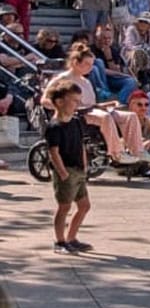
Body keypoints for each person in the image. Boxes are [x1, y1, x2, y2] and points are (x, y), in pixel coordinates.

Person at [44, 80, 94, 255]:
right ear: (59, 102)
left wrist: (85, 165)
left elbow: (81, 145)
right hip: (66, 171)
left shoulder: (76, 122)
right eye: (74, 100)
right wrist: (63, 173)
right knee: (64, 207)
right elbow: (54, 152)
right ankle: (60, 241)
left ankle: (72, 237)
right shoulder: (54, 126)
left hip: (79, 170)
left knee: (84, 205)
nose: (77, 105)